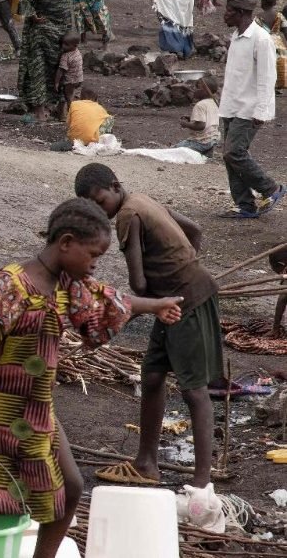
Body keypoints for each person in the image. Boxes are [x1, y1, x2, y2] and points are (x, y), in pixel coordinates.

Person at [0, 199, 183, 558]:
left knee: (70, 488)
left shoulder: (68, 285)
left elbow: (110, 299)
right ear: (66, 242)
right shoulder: (12, 284)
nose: (94, 264)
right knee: (0, 497)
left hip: (36, 410)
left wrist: (156, 305)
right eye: (92, 254)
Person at [75, 164, 220, 489]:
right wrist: (182, 266)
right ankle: (146, 462)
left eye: (101, 201)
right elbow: (194, 230)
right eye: (92, 207)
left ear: (115, 186)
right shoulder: (142, 199)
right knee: (153, 374)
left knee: (194, 390)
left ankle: (201, 481)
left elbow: (139, 285)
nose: (101, 211)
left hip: (187, 301)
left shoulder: (128, 215)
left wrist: (125, 313)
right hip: (175, 296)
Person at [219, 0, 284, 217]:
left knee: (234, 152)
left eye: (229, 11)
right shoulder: (236, 36)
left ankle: (270, 188)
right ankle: (244, 204)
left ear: (241, 13)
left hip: (249, 108)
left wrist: (262, 110)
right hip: (231, 105)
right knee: (230, 156)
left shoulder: (261, 39)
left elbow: (268, 77)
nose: (224, 14)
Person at [17, 0, 73, 120]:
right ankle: (61, 110)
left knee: (38, 72)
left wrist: (33, 15)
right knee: (61, 71)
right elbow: (67, 10)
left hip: (41, 36)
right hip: (62, 37)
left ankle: (40, 112)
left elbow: (23, 3)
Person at [179, 76, 221, 156]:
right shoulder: (214, 102)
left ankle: (198, 152)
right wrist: (191, 118)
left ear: (205, 91)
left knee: (176, 149)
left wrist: (185, 124)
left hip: (202, 141)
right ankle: (206, 152)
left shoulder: (200, 105)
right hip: (213, 139)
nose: (194, 90)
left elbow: (201, 126)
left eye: (197, 88)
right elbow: (209, 119)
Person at [53, 34, 83, 117]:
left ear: (75, 45)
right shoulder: (77, 51)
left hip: (70, 81)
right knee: (76, 96)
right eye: (63, 43)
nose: (63, 46)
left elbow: (61, 70)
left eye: (66, 44)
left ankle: (71, 115)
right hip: (79, 79)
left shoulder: (65, 56)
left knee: (68, 98)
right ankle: (77, 112)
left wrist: (56, 82)